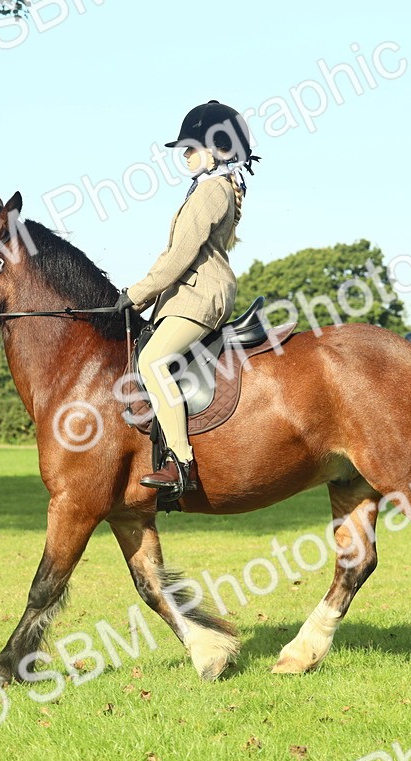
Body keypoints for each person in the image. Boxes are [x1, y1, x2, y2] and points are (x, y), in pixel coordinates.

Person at [114, 100, 259, 495]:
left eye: (192, 148)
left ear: (219, 149)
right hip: (188, 295)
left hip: (199, 296)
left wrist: (137, 294)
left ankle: (181, 464)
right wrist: (140, 298)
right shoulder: (209, 188)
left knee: (153, 361)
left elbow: (179, 256)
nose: (186, 156)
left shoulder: (212, 191)